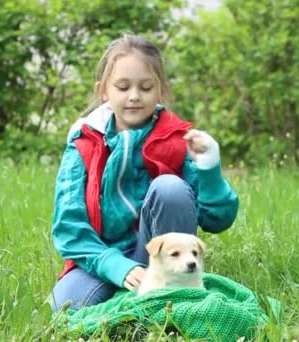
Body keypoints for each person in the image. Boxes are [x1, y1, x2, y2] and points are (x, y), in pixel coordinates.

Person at [49, 34, 239, 312]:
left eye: (146, 87)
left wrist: (208, 167)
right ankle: (131, 298)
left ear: (159, 90)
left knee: (169, 188)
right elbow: (68, 227)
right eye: (123, 87)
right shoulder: (82, 145)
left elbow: (216, 220)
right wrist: (116, 267)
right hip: (100, 258)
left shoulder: (177, 141)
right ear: (104, 90)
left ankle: (172, 295)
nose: (134, 96)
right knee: (62, 307)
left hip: (160, 259)